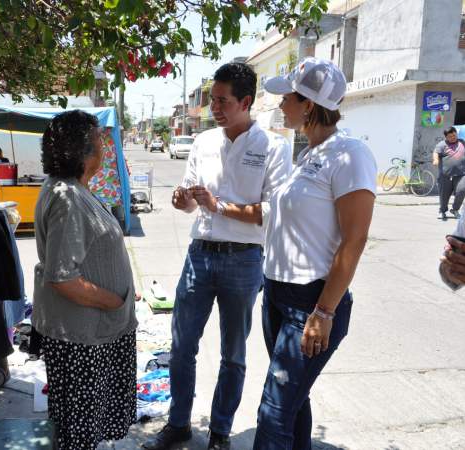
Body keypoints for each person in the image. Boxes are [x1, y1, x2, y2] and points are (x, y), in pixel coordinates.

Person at [144, 63, 292, 450]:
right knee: (181, 347)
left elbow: (272, 212)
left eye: (223, 101)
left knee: (234, 354)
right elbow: (190, 204)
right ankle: (178, 424)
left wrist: (220, 206)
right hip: (200, 255)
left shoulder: (273, 147)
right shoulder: (204, 141)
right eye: (212, 100)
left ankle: (220, 432)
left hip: (244, 261)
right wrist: (182, 200)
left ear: (246, 102)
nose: (215, 108)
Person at [253, 57, 377, 449]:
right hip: (276, 293)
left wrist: (324, 311)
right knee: (292, 403)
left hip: (310, 302)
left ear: (308, 104)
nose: (280, 105)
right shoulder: (306, 154)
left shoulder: (349, 153)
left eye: (286, 98)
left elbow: (354, 239)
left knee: (273, 412)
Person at [32, 110, 137, 449]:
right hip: (83, 337)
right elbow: (63, 278)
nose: (105, 150)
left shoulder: (74, 190)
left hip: (92, 331)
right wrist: (114, 300)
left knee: (83, 425)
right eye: (99, 143)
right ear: (83, 152)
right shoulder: (68, 199)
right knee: (80, 429)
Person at [433, 127, 465, 221]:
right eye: (450, 136)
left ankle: (455, 209)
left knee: (462, 190)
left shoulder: (464, 143)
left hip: (461, 174)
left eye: (454, 135)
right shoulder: (442, 144)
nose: (453, 137)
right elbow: (436, 152)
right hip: (445, 175)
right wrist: (436, 159)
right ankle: (442, 211)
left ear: (456, 133)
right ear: (446, 137)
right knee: (444, 194)